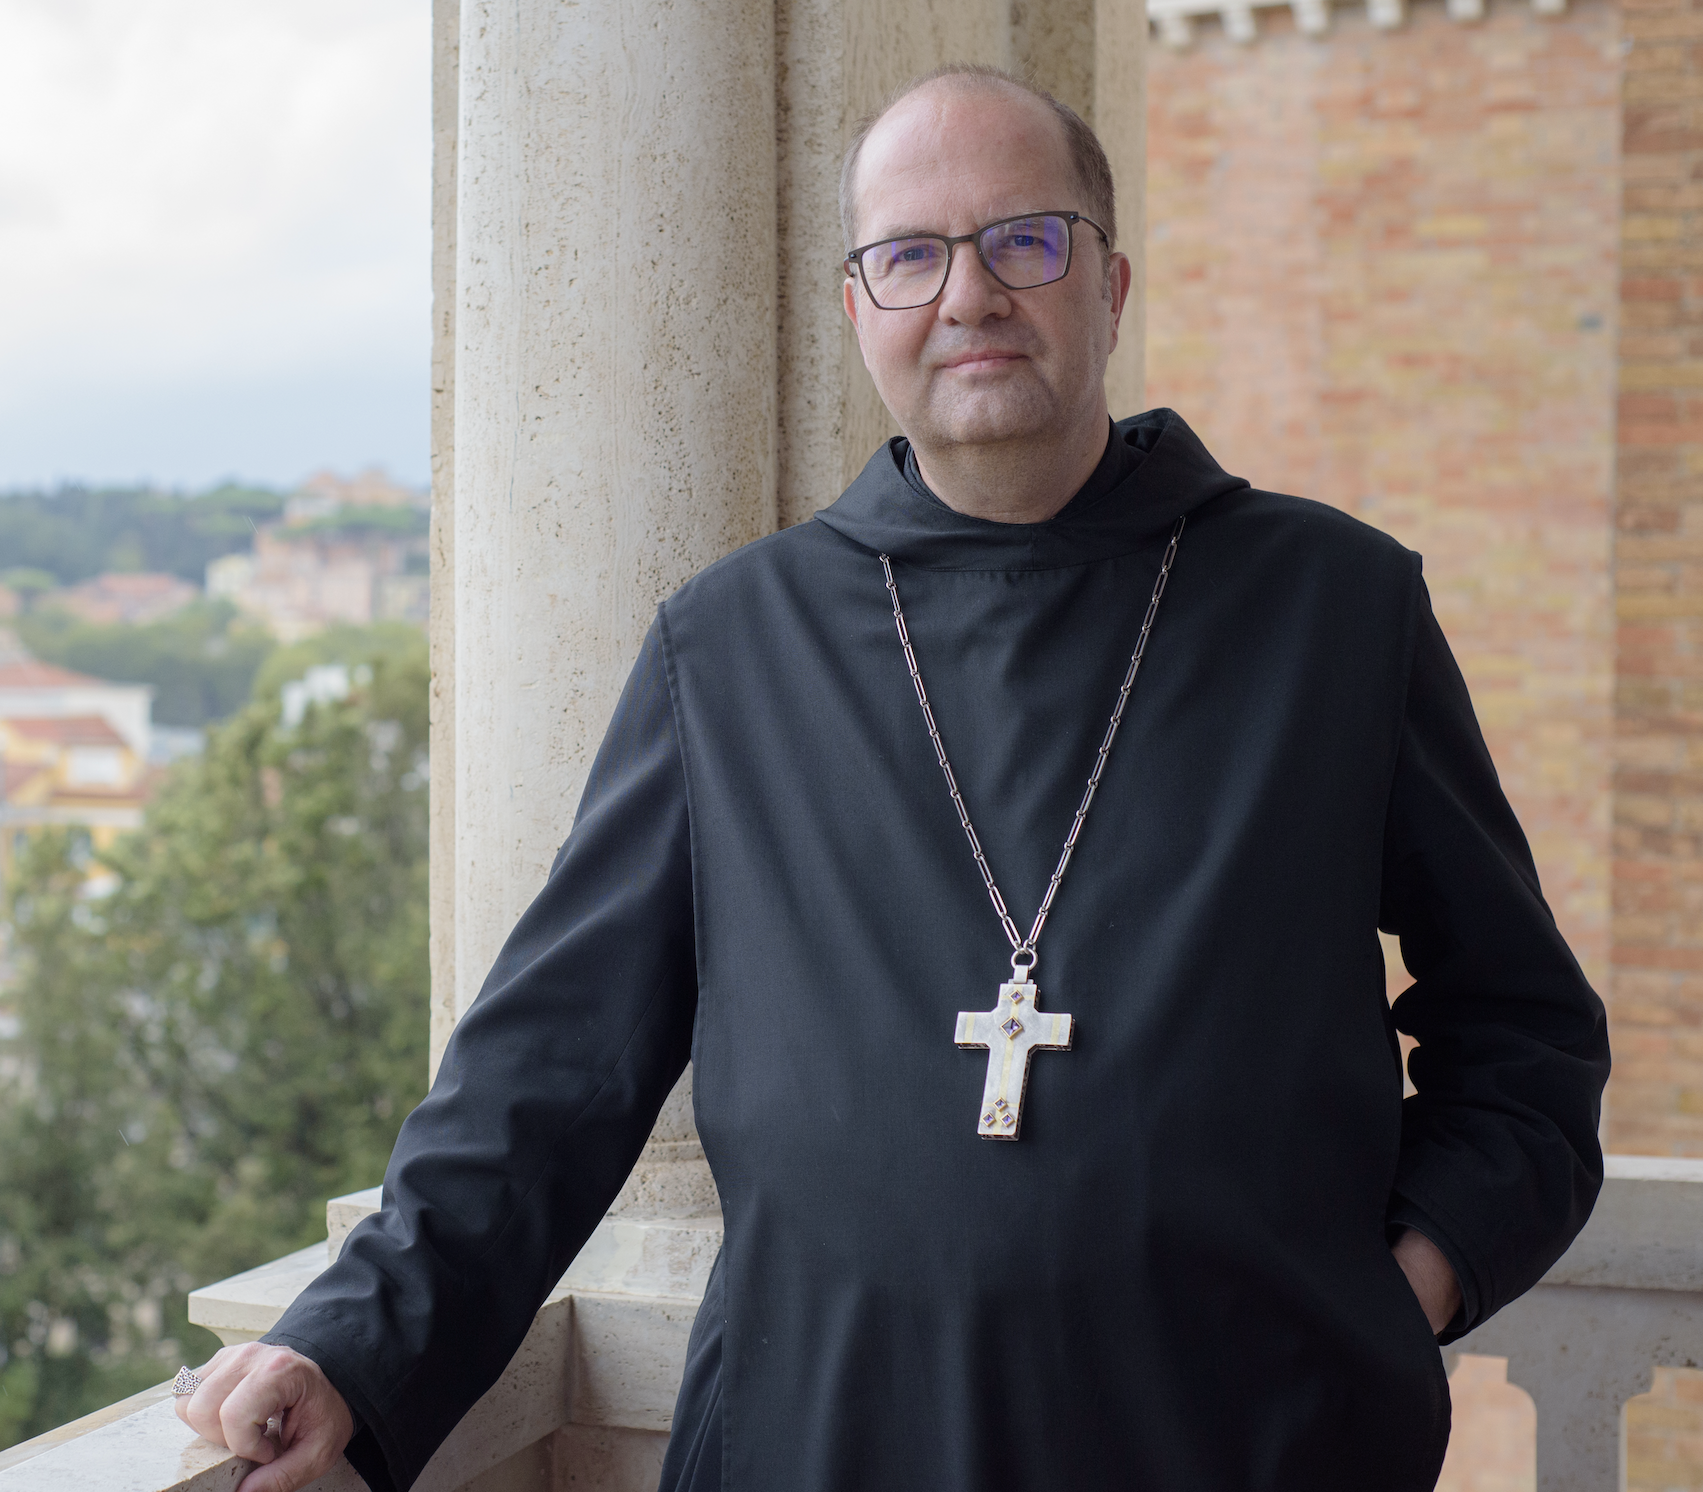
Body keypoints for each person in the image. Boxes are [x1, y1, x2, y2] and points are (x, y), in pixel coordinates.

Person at [177, 64, 1611, 1492]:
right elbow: (546, 1078)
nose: (969, 295)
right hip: (821, 1447)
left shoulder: (1335, 612)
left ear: (1108, 287)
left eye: (1024, 242)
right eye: (911, 255)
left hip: (1251, 1447)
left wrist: (1397, 1291)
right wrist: (349, 1349)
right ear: (859, 308)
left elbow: (1526, 1037)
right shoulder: (727, 649)